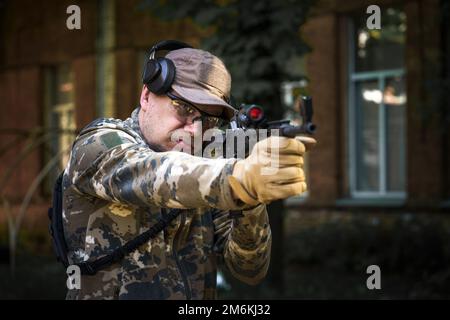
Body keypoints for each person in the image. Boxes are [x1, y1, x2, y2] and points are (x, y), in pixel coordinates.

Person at [62, 41, 312, 299]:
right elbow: (151, 173)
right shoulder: (99, 143)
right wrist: (237, 178)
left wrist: (250, 199)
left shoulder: (212, 166)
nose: (194, 129)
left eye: (208, 119)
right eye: (184, 108)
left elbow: (249, 269)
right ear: (146, 95)